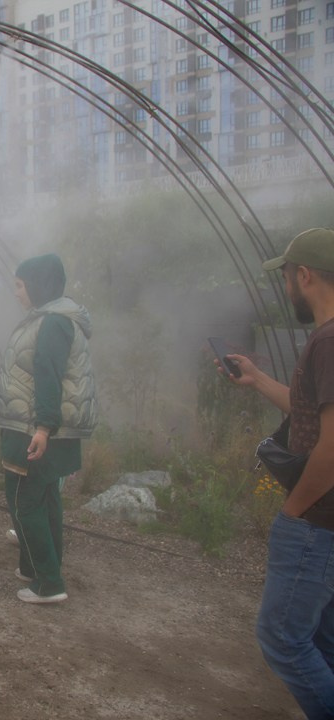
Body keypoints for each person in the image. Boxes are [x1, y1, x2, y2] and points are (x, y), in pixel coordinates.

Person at [224, 228, 334, 718]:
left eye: (287, 277)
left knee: (283, 637)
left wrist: (293, 511)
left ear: (304, 275)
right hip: (326, 521)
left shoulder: (328, 341)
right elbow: (311, 412)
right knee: (321, 637)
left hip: (316, 521)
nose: (286, 287)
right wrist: (258, 379)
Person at [0, 253, 96, 605]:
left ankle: (49, 583)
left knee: (24, 501)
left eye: (20, 286)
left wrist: (43, 427)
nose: (17, 293)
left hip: (35, 429)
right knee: (46, 498)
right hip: (44, 427)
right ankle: (35, 565)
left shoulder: (52, 322)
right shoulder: (55, 319)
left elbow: (48, 375)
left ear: (37, 286)